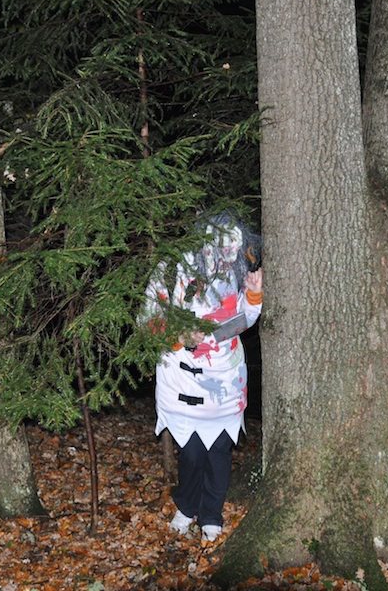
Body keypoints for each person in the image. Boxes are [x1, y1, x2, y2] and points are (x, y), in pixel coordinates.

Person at [142, 212, 263, 542]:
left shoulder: (238, 270)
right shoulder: (171, 270)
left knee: (219, 452)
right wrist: (179, 335)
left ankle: (211, 514)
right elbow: (148, 318)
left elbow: (246, 317)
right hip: (181, 381)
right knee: (193, 452)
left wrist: (253, 294)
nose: (226, 257)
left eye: (232, 249)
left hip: (225, 381)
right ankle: (186, 506)